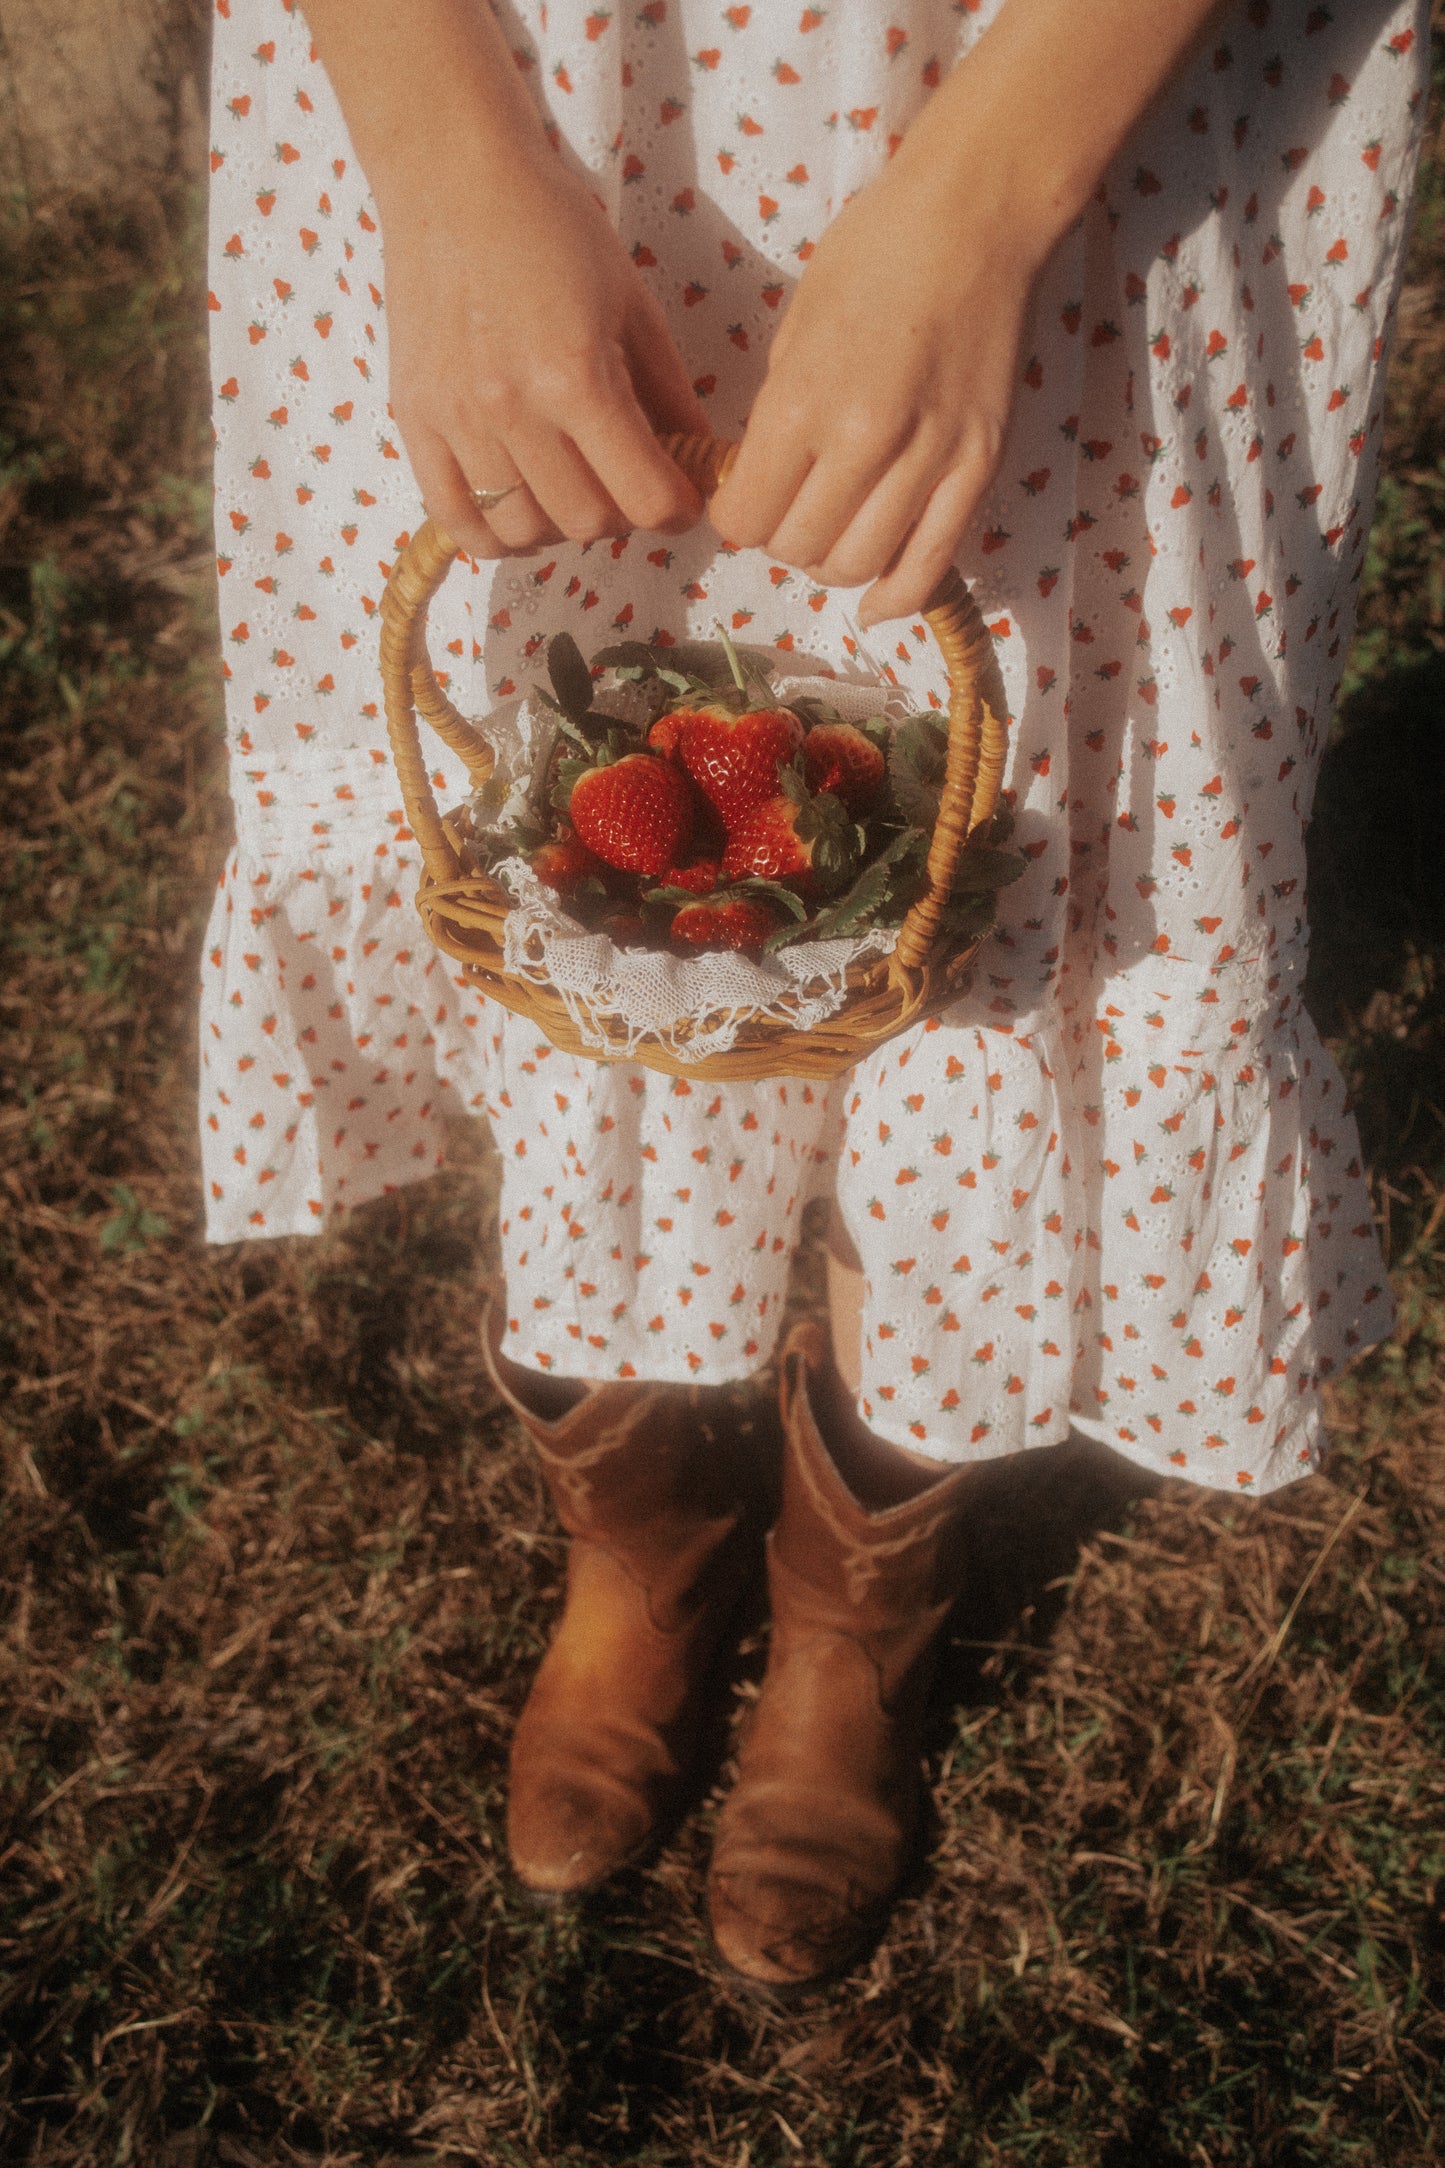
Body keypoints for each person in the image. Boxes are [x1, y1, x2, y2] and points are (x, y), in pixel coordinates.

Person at [204, 0, 1428, 1988]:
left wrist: (981, 198)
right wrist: (434, 150)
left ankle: (856, 1616)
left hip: (1074, 84)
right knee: (537, 828)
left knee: (992, 914)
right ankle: (640, 1546)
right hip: (528, 70)